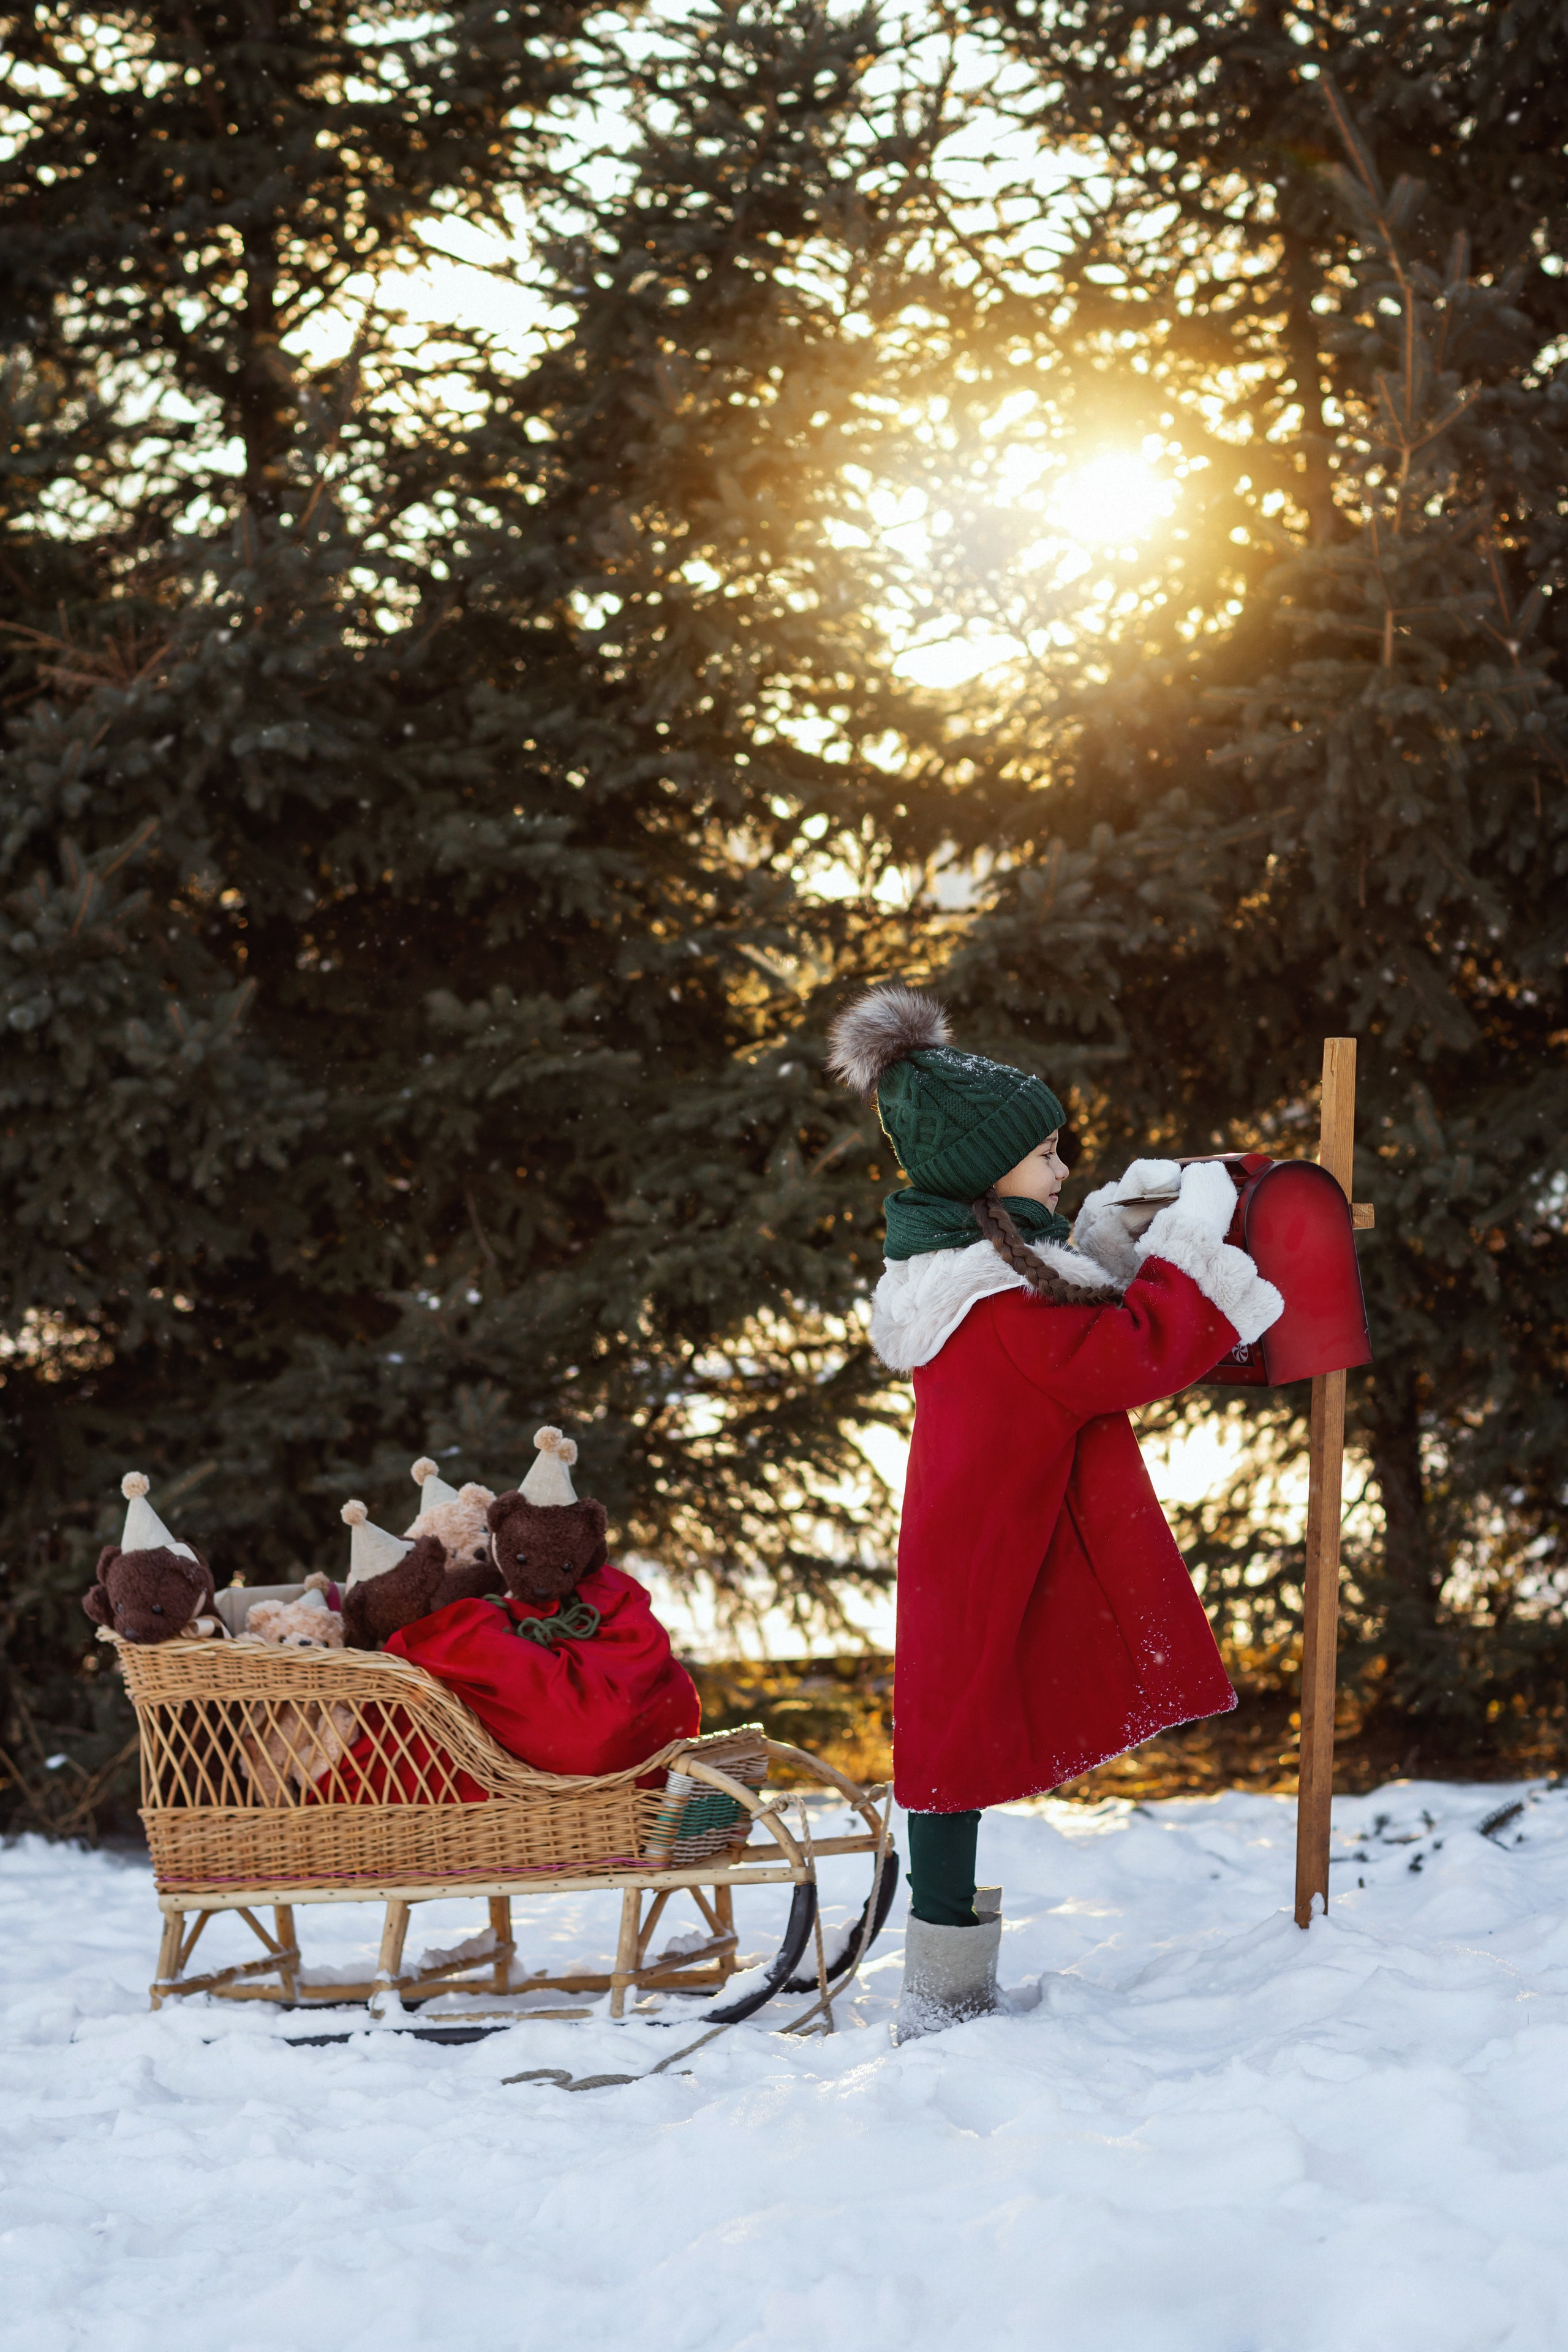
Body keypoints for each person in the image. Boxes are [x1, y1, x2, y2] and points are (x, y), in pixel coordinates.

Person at [827, 983, 1284, 2041]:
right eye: (1045, 1157)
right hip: (999, 1542)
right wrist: (1192, 1250)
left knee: (949, 1750)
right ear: (987, 1175)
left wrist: (1107, 1237)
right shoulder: (998, 1302)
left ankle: (945, 1979)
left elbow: (1067, 1305)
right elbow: (1125, 1353)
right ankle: (941, 1995)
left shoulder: (966, 1268)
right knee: (948, 1754)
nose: (1063, 1164)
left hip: (978, 1533)